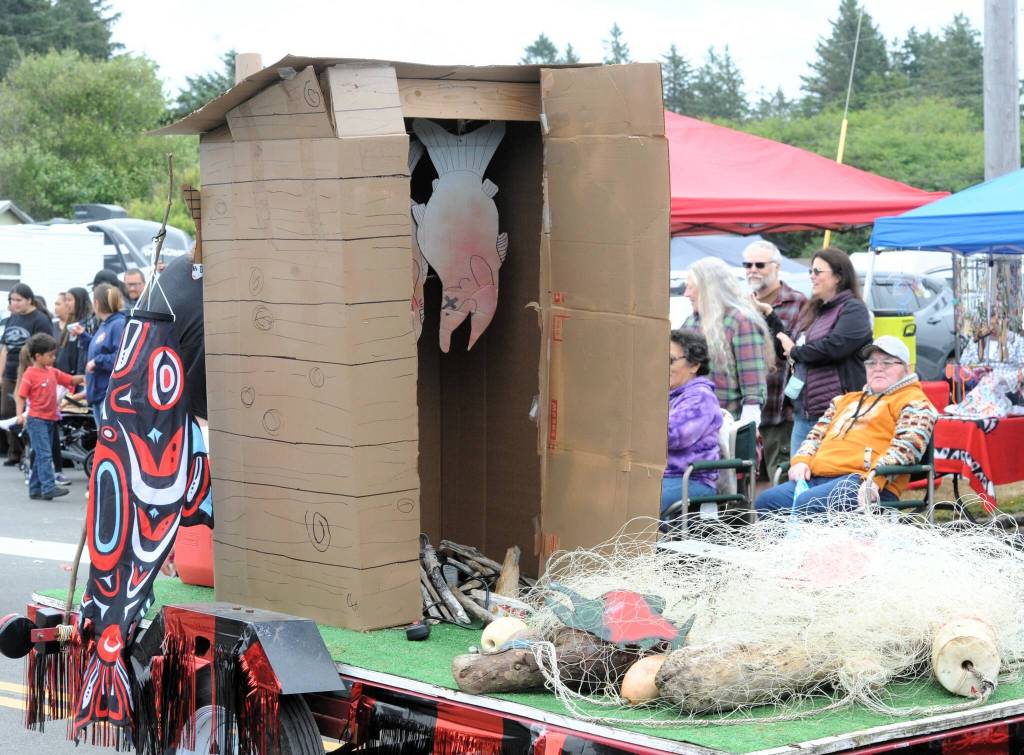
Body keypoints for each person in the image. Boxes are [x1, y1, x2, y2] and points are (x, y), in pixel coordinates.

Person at [755, 336, 937, 516]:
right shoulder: (844, 400)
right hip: (818, 478)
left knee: (809, 502)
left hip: (865, 481)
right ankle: (786, 546)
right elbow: (814, 436)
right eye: (871, 363)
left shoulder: (915, 403)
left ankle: (819, 546)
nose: (878, 368)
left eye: (887, 363)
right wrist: (801, 460)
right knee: (768, 501)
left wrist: (876, 478)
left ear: (907, 369)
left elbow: (907, 447)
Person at [776, 247, 872, 453]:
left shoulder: (854, 309)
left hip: (837, 414)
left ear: (838, 276)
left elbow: (834, 347)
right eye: (811, 271)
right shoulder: (815, 311)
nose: (812, 276)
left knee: (827, 479)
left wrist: (796, 352)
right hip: (804, 413)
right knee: (799, 478)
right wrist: (769, 318)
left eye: (818, 271)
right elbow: (791, 344)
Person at [683, 257, 774, 424]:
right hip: (691, 421)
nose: (686, 294)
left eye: (690, 287)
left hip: (726, 425)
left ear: (707, 288)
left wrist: (746, 427)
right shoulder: (691, 322)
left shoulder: (740, 321)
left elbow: (753, 382)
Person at [743, 241, 807, 479]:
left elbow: (796, 353)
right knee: (745, 485)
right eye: (747, 264)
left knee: (777, 480)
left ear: (777, 267)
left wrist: (767, 316)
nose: (752, 270)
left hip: (777, 412)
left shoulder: (797, 302)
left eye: (760, 264)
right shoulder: (739, 303)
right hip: (745, 411)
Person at [662, 330, 723, 528]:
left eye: (670, 359)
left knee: (631, 503)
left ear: (695, 365)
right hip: (659, 477)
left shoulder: (700, 396)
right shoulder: (667, 394)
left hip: (690, 480)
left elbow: (673, 435)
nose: (662, 365)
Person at [15, 333, 84, 500]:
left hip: (51, 420)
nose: (54, 358)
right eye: (50, 355)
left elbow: (70, 379)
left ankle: (35, 489)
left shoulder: (52, 372)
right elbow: (20, 395)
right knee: (45, 454)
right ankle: (48, 487)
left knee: (40, 455)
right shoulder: (30, 375)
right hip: (37, 420)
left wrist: (85, 377)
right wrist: (19, 415)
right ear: (38, 357)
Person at [0, 283, 56, 465]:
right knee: (8, 412)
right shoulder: (12, 319)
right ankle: (14, 452)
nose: (14, 303)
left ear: (29, 300)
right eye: (11, 300)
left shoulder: (39, 320)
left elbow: (44, 349)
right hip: (10, 372)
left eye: (18, 300)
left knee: (30, 414)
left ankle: (29, 452)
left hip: (30, 372)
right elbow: (5, 349)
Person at [77, 284, 127, 426]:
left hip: (108, 395)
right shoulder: (106, 325)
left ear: (97, 303)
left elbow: (122, 357)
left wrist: (97, 362)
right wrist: (83, 336)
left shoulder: (118, 324)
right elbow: (99, 348)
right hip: (99, 394)